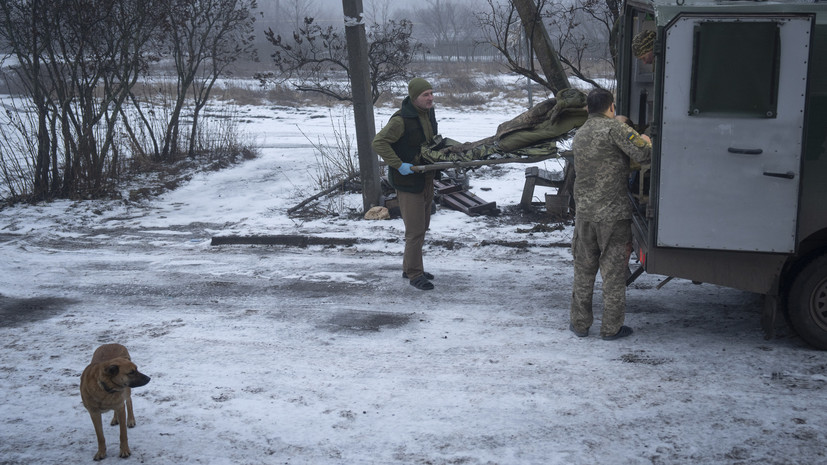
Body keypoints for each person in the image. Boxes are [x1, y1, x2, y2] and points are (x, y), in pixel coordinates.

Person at [569, 88, 652, 340]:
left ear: (587, 109)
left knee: (583, 271)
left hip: (584, 214)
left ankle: (580, 324)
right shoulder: (614, 129)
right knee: (613, 274)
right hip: (613, 216)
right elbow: (644, 153)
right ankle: (611, 328)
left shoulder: (580, 134)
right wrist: (646, 136)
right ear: (611, 107)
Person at [372, 77, 442, 291]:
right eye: (425, 95)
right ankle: (414, 274)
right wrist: (398, 164)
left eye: (431, 93)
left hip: (425, 177)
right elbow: (378, 143)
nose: (430, 98)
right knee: (414, 230)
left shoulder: (428, 113)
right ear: (414, 98)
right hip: (408, 181)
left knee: (423, 226)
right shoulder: (401, 120)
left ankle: (410, 266)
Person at [420, 88, 589, 164]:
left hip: (507, 138)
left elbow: (532, 127)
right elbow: (532, 128)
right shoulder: (563, 112)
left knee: (472, 149)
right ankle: (432, 154)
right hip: (507, 141)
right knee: (471, 152)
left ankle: (434, 153)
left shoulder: (559, 109)